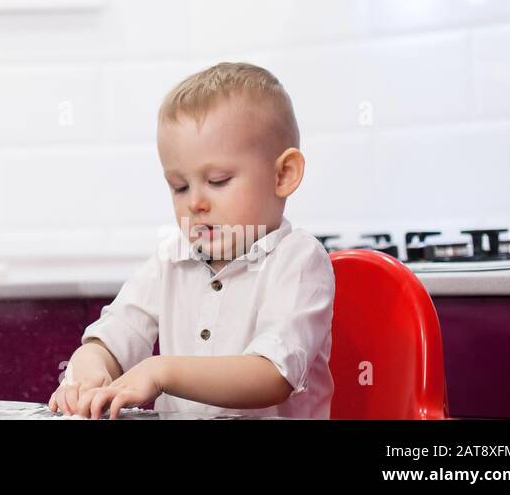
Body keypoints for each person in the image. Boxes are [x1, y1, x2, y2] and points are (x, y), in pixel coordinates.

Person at [49, 62, 334, 419]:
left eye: (218, 180)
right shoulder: (171, 259)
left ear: (283, 174)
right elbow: (114, 333)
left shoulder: (298, 260)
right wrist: (88, 372)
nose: (195, 202)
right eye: (179, 187)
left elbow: (272, 374)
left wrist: (161, 371)